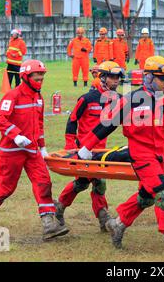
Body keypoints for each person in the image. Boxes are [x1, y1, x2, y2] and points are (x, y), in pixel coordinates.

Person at [76, 56, 164, 257]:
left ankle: (117, 224)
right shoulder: (131, 99)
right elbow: (108, 124)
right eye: (161, 78)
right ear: (148, 77)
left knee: (146, 198)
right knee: (163, 194)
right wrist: (86, 147)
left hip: (158, 156)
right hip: (141, 156)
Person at [0, 59, 69, 241]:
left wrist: (42, 147)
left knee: (43, 182)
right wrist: (16, 135)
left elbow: (40, 124)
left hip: (32, 150)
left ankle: (48, 224)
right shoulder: (12, 96)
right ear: (25, 77)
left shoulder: (38, 97)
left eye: (43, 76)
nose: (41, 79)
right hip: (11, 150)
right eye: (37, 76)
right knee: (6, 187)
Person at [55, 61, 124, 231]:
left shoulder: (119, 100)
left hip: (101, 152)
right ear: (102, 77)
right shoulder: (87, 99)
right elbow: (72, 121)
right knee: (96, 182)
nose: (116, 81)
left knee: (84, 183)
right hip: (82, 151)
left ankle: (59, 207)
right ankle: (104, 217)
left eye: (118, 78)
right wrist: (70, 146)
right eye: (112, 77)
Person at [65, 142, 164, 167]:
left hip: (139, 154)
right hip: (142, 148)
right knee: (115, 152)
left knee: (113, 156)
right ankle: (81, 154)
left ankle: (76, 158)